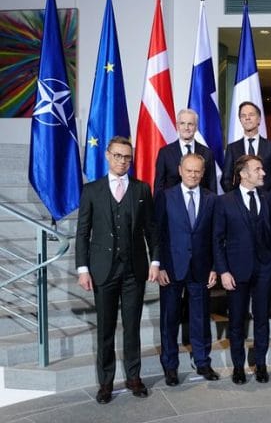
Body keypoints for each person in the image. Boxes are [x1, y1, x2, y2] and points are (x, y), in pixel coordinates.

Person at [75, 136, 159, 404]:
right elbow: (82, 233)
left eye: (127, 157)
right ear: (107, 156)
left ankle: (134, 377)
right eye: (118, 156)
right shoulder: (91, 190)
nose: (123, 161)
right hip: (103, 270)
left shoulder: (142, 189)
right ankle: (106, 383)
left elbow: (151, 229)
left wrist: (155, 262)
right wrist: (82, 268)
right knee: (105, 329)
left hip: (134, 270)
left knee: (132, 327)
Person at [214, 155, 271, 385]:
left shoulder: (268, 197)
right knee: (236, 322)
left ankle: (260, 364)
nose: (263, 173)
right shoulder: (225, 201)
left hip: (264, 268)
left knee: (262, 319)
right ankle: (238, 367)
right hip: (236, 271)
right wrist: (223, 271)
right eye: (258, 169)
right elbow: (217, 239)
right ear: (243, 174)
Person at [155, 153, 219, 387]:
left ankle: (202, 361)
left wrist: (215, 267)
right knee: (169, 319)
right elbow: (158, 233)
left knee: (200, 317)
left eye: (197, 171)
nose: (193, 175)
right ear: (180, 170)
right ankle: (170, 366)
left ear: (203, 173)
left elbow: (216, 236)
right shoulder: (165, 196)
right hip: (171, 268)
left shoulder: (212, 199)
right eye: (189, 170)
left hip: (201, 268)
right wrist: (160, 265)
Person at [221, 101, 271, 195]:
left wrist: (270, 197)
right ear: (240, 120)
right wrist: (236, 197)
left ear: (259, 119)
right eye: (243, 116)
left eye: (251, 114)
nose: (247, 118)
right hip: (240, 201)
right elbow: (226, 180)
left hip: (267, 201)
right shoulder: (232, 148)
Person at [154, 108, 218, 197]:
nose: (186, 128)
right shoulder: (165, 153)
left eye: (190, 124)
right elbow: (159, 187)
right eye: (182, 123)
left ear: (196, 127)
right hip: (172, 203)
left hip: (200, 204)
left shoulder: (207, 153)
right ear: (177, 126)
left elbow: (212, 187)